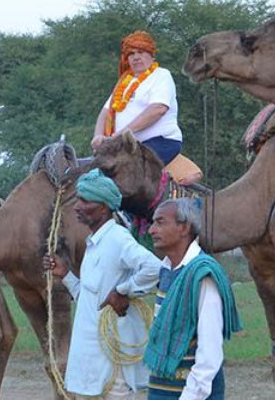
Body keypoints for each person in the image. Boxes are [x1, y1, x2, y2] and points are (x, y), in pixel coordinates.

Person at [43, 169, 162, 399]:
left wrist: (123, 291)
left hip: (113, 363)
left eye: (85, 200)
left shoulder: (118, 238)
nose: (77, 206)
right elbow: (90, 300)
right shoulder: (95, 243)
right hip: (92, 361)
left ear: (104, 207)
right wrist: (66, 274)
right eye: (78, 199)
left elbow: (154, 268)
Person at [143, 199, 241, 400]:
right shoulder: (167, 270)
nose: (152, 230)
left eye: (160, 222)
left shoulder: (202, 275)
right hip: (163, 388)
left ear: (184, 227)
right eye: (153, 223)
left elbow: (209, 354)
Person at [91, 31, 183, 165]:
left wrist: (123, 133)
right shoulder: (124, 82)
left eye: (141, 52)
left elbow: (158, 109)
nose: (136, 57)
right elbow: (106, 111)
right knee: (90, 175)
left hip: (160, 141)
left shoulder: (161, 75)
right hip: (126, 145)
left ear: (152, 56)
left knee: (125, 173)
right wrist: (98, 135)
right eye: (131, 54)